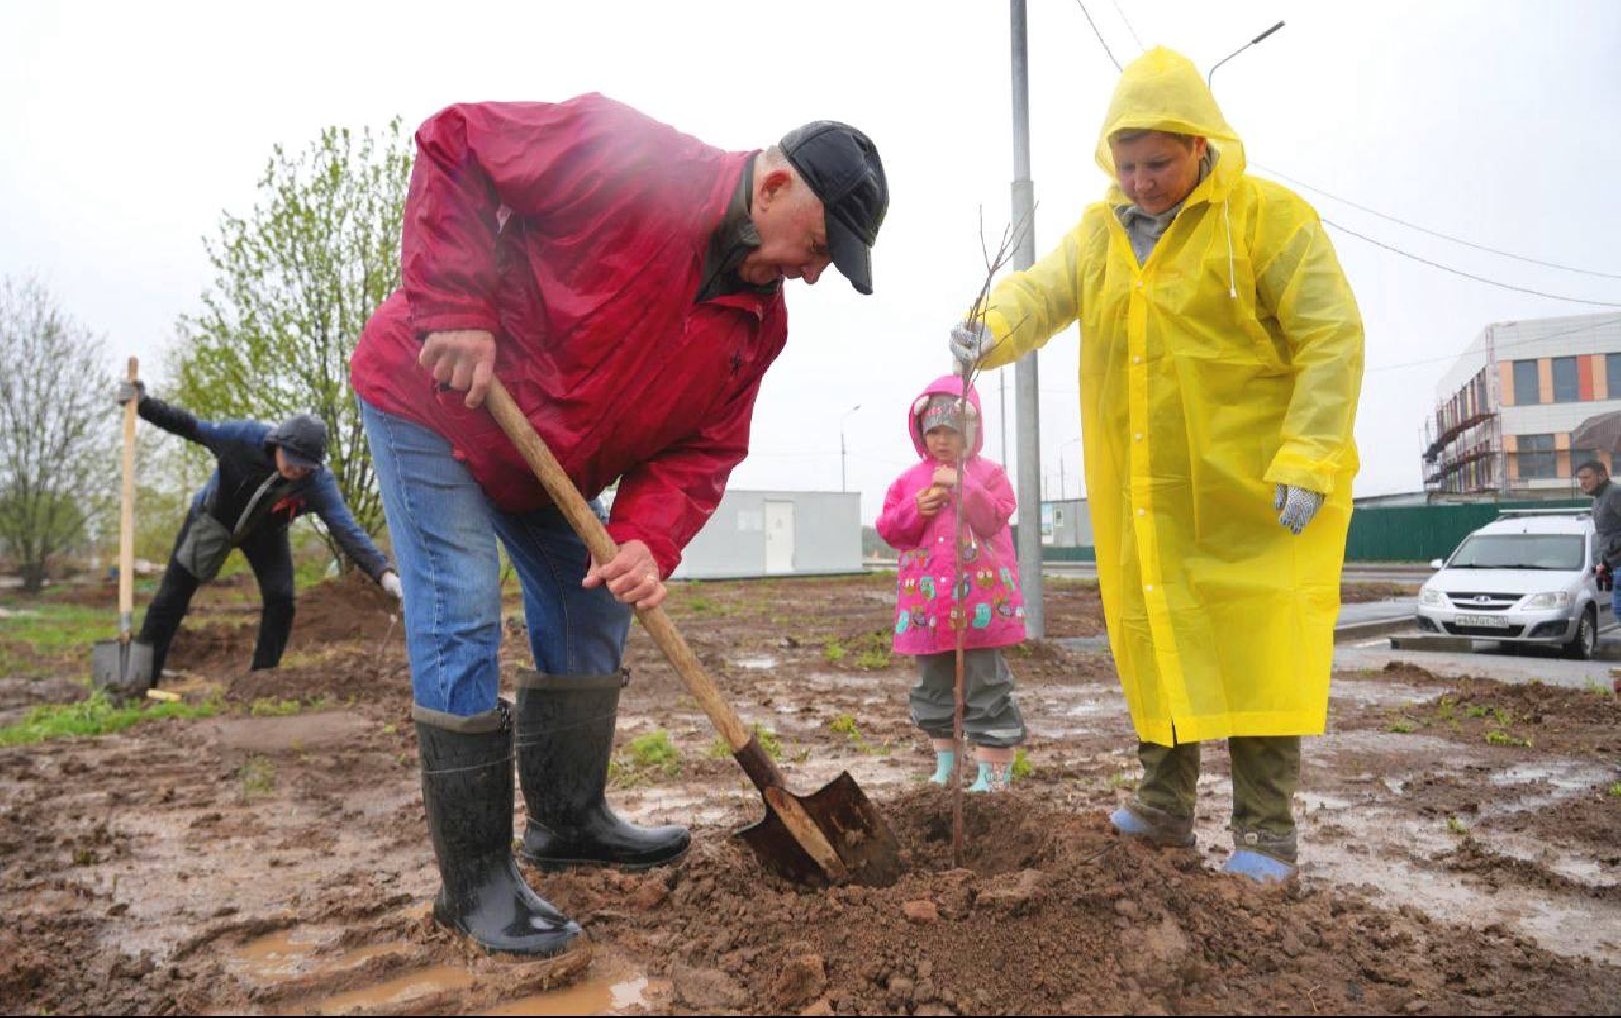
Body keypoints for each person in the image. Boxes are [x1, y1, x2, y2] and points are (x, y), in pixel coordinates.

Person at [350, 94, 888, 955]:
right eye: (818, 247)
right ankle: (475, 883)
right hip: (437, 405)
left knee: (594, 600)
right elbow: (458, 141)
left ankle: (566, 822)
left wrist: (646, 538)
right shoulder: (632, 164)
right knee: (457, 607)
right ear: (777, 183)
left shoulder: (757, 325)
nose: (816, 272)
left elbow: (702, 450)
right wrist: (453, 303)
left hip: (542, 459)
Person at [950, 47, 1364, 882]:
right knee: (1154, 641)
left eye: (1158, 163)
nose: (1139, 181)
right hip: (1146, 498)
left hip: (1249, 489)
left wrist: (1309, 455)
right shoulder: (1099, 237)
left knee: (1257, 655)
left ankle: (1266, 833)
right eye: (1126, 164)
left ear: (1201, 146)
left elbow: (1332, 337)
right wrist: (989, 325)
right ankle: (1164, 806)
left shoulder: (1265, 219)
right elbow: (1040, 294)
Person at [117, 383, 400, 686]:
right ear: (278, 444)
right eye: (291, 461)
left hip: (266, 534)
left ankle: (262, 680)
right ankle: (140, 680)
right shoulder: (241, 439)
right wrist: (143, 404)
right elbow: (189, 426)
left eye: (304, 468)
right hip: (213, 521)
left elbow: (346, 528)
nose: (296, 471)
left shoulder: (318, 483)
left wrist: (384, 575)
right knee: (172, 597)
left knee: (281, 599)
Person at [877, 376, 1028, 792]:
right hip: (928, 610)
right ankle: (946, 768)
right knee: (933, 687)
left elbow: (996, 516)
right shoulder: (909, 482)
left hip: (981, 606)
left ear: (973, 432)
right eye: (934, 431)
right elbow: (891, 530)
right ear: (922, 433)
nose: (942, 440)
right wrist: (915, 509)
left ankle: (994, 773)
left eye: (953, 431)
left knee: (987, 686)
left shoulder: (990, 474)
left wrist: (966, 488)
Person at [1576, 460, 1621, 612]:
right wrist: (1605, 563)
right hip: (1614, 566)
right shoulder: (1597, 499)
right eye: (1580, 479)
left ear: (1602, 475)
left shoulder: (1615, 493)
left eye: (1586, 477)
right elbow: (1607, 534)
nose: (1582, 483)